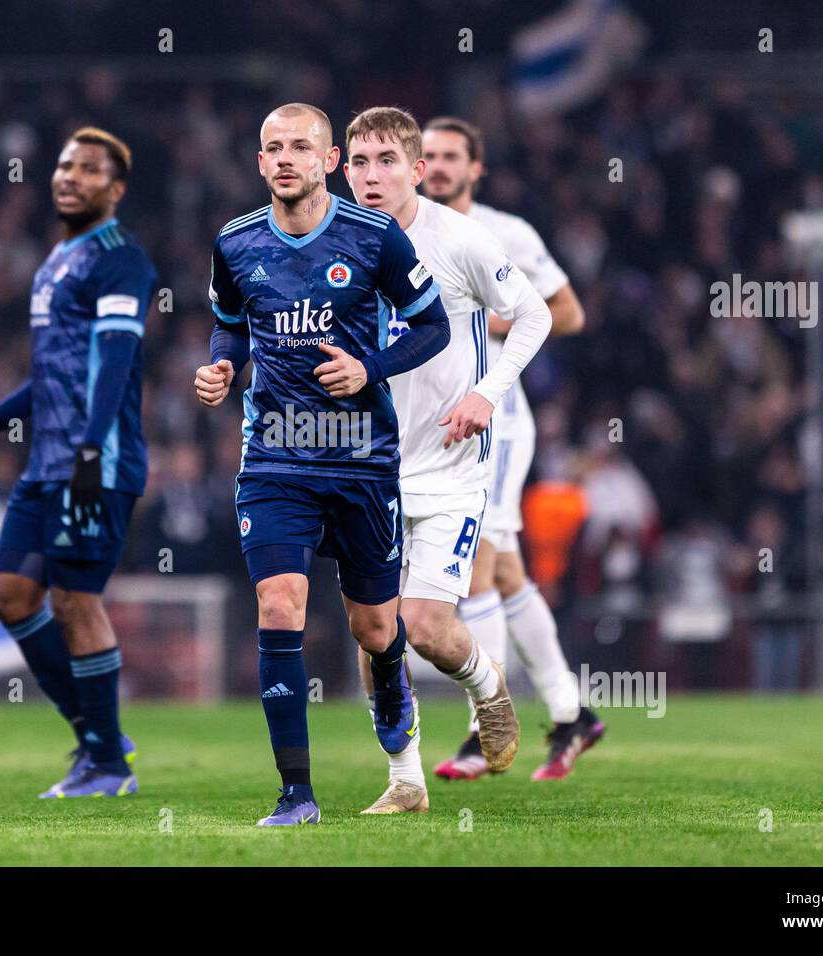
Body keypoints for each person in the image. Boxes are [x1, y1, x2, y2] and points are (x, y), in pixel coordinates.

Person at [194, 103, 452, 826]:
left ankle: (394, 686)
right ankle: (295, 794)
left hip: (363, 460)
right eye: (272, 147)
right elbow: (229, 324)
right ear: (259, 162)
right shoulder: (235, 243)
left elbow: (431, 326)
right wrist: (221, 367)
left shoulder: (375, 238)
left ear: (329, 160)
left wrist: (368, 367)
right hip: (275, 456)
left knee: (375, 630)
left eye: (299, 147)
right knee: (280, 604)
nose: (284, 158)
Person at [344, 107, 552, 812]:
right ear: (344, 169)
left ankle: (488, 688)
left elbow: (537, 315)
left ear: (418, 168)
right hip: (366, 467)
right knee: (376, 637)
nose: (372, 177)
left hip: (450, 463)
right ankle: (405, 782)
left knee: (426, 628)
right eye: (360, 163)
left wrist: (489, 394)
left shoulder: (461, 239)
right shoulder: (333, 243)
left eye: (387, 162)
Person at [0, 127, 155, 798]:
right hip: (44, 466)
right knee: (10, 598)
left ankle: (108, 766)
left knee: (74, 599)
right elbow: (55, 371)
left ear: (114, 190)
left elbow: (114, 362)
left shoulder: (121, 260)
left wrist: (92, 450)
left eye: (89, 169)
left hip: (95, 460)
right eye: (65, 164)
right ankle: (98, 734)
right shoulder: (55, 261)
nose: (70, 175)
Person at [421, 116, 604, 782]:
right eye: (428, 155)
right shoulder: (408, 231)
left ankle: (481, 730)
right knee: (505, 576)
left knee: (474, 571)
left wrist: (485, 316)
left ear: (477, 168)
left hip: (498, 419)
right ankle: (570, 712)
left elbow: (571, 312)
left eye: (450, 156)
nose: (436, 166)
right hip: (439, 423)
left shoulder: (507, 233)